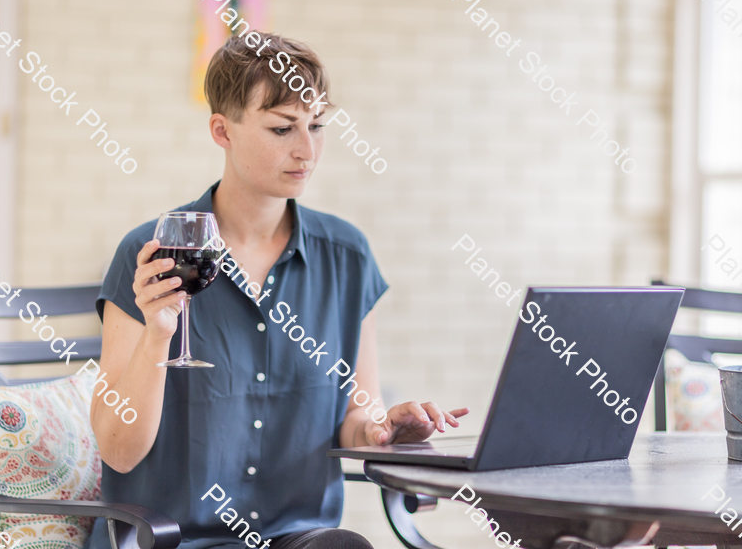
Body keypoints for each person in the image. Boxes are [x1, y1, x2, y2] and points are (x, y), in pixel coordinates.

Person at [84, 32, 468, 549]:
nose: (307, 150)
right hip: (172, 542)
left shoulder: (347, 257)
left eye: (317, 127)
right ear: (222, 130)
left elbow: (358, 416)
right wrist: (158, 335)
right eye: (283, 128)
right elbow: (118, 451)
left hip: (299, 540)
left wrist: (385, 430)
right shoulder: (152, 256)